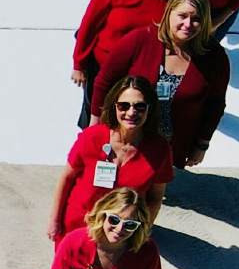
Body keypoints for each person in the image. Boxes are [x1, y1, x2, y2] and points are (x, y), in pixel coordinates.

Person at [96, 0, 228, 169]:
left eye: (196, 19)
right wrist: (95, 129)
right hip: (127, 136)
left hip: (171, 146)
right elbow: (104, 82)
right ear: (169, 13)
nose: (188, 24)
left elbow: (215, 105)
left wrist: (201, 144)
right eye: (182, 16)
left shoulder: (214, 57)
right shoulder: (140, 40)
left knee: (156, 191)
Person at [71, 0, 179, 127]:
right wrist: (79, 64)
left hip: (146, 77)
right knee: (96, 117)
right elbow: (90, 24)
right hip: (104, 68)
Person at [49, 75, 174, 241]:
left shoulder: (159, 150)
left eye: (140, 106)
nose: (131, 112)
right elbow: (67, 178)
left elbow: (155, 198)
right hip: (76, 229)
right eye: (124, 105)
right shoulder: (92, 137)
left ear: (149, 109)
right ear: (114, 107)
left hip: (119, 237)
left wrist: (140, 232)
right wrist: (54, 221)